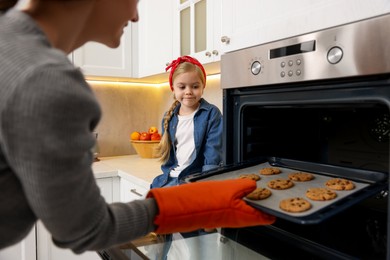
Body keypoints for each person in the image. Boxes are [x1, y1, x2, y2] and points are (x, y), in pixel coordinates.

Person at [0, 0, 275, 255]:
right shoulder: (45, 78)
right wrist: (196, 206)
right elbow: (84, 227)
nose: (135, 15)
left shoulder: (11, 42)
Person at [151, 55, 222, 189]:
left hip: (195, 180)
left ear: (203, 86)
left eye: (195, 86)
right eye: (182, 87)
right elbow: (169, 159)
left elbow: (213, 154)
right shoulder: (169, 117)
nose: (188, 92)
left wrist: (207, 186)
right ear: (173, 88)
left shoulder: (212, 114)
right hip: (169, 179)